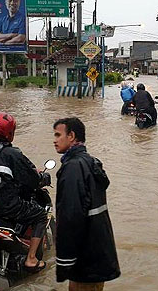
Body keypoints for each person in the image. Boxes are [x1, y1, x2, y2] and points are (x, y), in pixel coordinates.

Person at [0, 112, 48, 272]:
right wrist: (42, 178)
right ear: (10, 132)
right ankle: (31, 259)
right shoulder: (12, 154)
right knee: (41, 215)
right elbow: (32, 179)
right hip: (8, 208)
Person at [52, 117, 120, 291]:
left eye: (58, 135)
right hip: (97, 251)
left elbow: (70, 216)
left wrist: (64, 262)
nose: (54, 140)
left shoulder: (73, 167)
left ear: (72, 136)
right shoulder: (89, 162)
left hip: (86, 256)